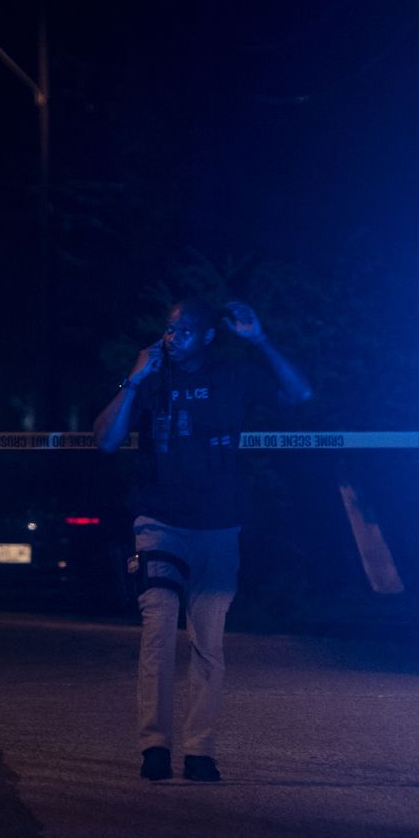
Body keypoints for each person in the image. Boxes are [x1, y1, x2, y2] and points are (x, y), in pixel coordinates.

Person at [94, 299, 313, 782]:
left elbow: (299, 392)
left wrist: (259, 338)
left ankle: (200, 750)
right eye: (170, 331)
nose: (174, 339)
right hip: (158, 522)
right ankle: (154, 746)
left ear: (208, 336)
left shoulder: (231, 374)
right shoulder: (150, 377)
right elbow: (106, 439)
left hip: (218, 525)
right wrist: (133, 379)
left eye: (186, 331)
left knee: (208, 641)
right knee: (157, 630)